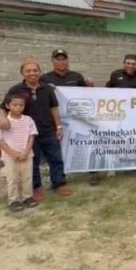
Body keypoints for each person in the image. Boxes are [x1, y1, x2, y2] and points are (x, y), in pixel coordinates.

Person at [0, 58, 70, 202]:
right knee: (33, 162)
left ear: (40, 72)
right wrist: (2, 118)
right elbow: (3, 107)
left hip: (48, 130)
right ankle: (37, 187)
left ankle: (59, 184)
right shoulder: (16, 90)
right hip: (28, 135)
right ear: (22, 73)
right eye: (28, 71)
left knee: (56, 159)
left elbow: (54, 108)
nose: (32, 73)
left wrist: (58, 126)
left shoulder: (47, 89)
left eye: (35, 70)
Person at [41, 49, 101, 186]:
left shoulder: (77, 76)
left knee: (86, 143)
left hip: (77, 118)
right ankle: (60, 177)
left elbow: (87, 94)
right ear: (52, 61)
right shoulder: (45, 78)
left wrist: (91, 85)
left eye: (64, 59)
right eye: (58, 59)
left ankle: (93, 172)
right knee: (58, 148)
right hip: (56, 118)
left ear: (67, 61)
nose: (61, 62)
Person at [0, 93, 39, 212]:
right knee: (12, 179)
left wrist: (26, 152)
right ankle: (14, 200)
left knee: (27, 177)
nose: (18, 107)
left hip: (26, 155)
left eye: (21, 105)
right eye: (15, 105)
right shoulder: (4, 122)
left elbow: (32, 136)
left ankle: (27, 197)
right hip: (10, 157)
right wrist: (12, 153)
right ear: (8, 106)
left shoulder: (28, 120)